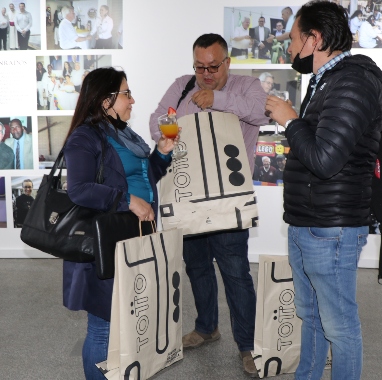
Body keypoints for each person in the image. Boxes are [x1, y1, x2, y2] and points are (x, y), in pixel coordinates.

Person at [263, 2, 382, 378]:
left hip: (331, 229)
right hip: (308, 222)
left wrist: (290, 121)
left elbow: (324, 159)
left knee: (340, 326)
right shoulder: (327, 82)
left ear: (314, 38)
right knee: (311, 317)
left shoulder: (353, 81)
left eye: (292, 39)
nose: (288, 48)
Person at [148, 33, 270, 376]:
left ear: (227, 62)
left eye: (213, 67)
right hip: (187, 198)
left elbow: (259, 113)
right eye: (200, 67)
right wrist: (171, 128)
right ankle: (206, 327)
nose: (206, 73)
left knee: (235, 273)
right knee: (197, 266)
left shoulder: (247, 86)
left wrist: (216, 98)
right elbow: (157, 120)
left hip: (229, 200)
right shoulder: (181, 85)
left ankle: (248, 346)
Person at [62, 67, 175, 380]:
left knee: (129, 319)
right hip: (107, 242)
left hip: (135, 235)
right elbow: (79, 188)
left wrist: (161, 156)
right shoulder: (85, 136)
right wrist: (126, 201)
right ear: (104, 100)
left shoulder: (123, 132)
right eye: (126, 93)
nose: (132, 100)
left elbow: (143, 177)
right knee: (104, 327)